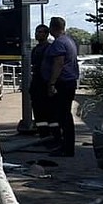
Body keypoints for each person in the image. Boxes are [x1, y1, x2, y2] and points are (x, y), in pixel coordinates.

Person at [42, 16, 80, 157]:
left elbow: (58, 64)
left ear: (52, 28)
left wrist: (52, 83)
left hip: (62, 83)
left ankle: (67, 148)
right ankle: (65, 146)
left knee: (63, 116)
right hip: (69, 82)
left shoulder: (59, 43)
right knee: (64, 115)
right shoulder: (69, 41)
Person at [28, 24, 58, 141]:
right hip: (37, 83)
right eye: (36, 32)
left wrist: (51, 84)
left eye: (40, 32)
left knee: (49, 113)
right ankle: (43, 135)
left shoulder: (49, 48)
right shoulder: (35, 49)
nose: (37, 34)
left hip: (45, 83)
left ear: (46, 34)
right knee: (38, 112)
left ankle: (53, 136)